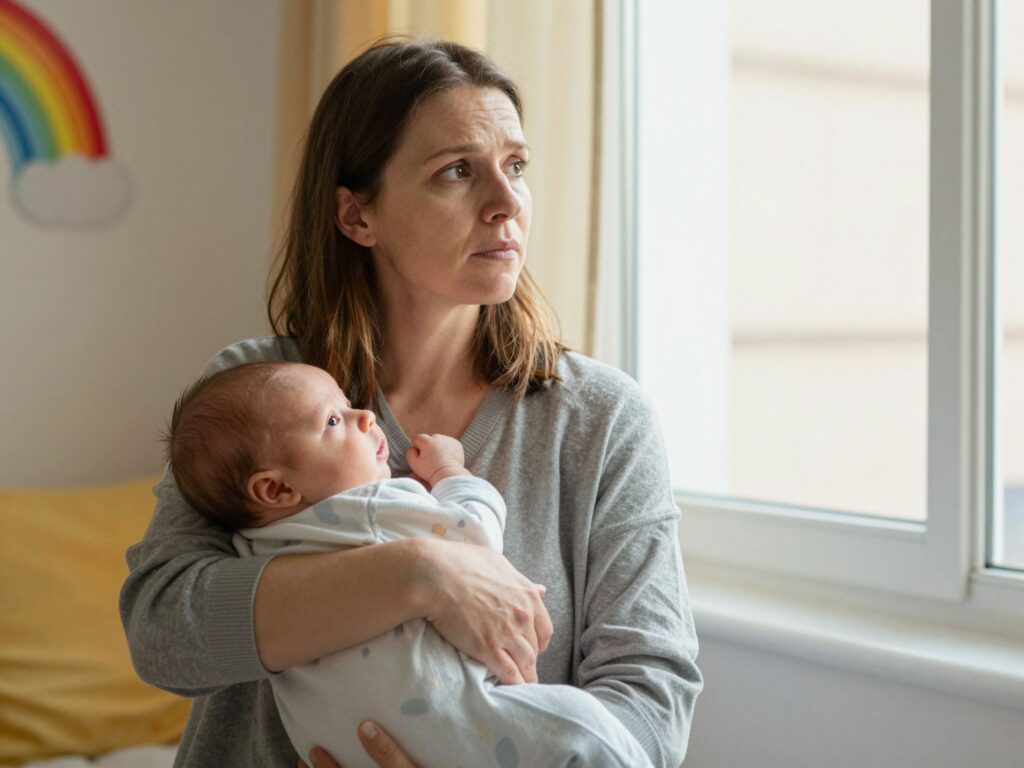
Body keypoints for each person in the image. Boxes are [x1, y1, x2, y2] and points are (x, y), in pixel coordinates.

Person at [120, 38, 702, 768]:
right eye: (457, 171)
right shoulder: (258, 391)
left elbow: (652, 697)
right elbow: (165, 630)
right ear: (357, 217)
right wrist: (422, 575)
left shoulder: (603, 421)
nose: (505, 203)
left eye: (515, 166)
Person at [163, 359, 655, 768]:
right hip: (469, 728)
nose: (365, 417)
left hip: (345, 747)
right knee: (588, 734)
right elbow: (476, 540)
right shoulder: (371, 509)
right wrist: (450, 474)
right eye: (333, 421)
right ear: (275, 488)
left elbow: (651, 683)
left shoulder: (251, 545)